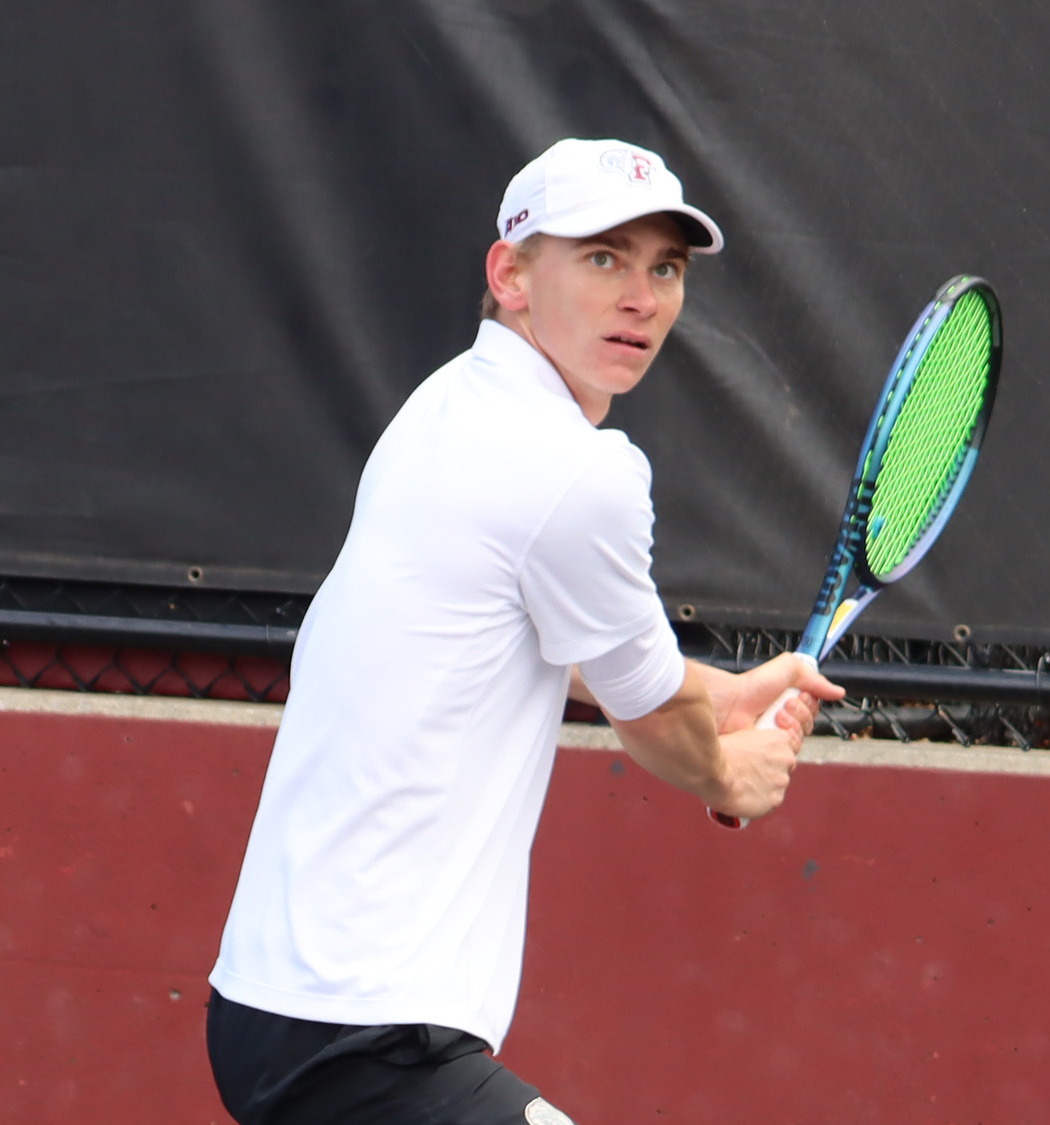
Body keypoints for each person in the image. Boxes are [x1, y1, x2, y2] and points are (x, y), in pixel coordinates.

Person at [205, 138, 844, 1125]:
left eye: (663, 268)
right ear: (510, 274)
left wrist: (721, 695)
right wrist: (728, 773)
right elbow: (651, 720)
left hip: (278, 1008)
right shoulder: (574, 470)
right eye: (601, 258)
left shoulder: (446, 407)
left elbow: (540, 638)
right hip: (363, 1034)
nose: (641, 297)